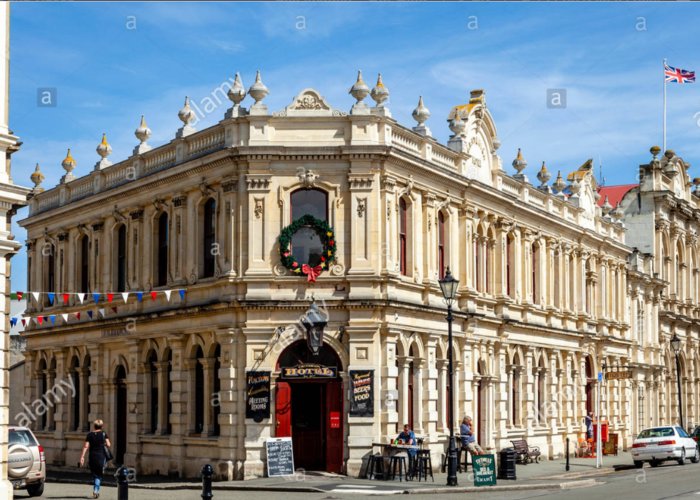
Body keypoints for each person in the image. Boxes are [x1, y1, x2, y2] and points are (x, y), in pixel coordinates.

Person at [79, 419, 112, 499]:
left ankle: (96, 489)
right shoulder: (103, 434)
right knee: (99, 475)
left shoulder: (90, 435)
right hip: (101, 457)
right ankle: (96, 490)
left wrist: (82, 457)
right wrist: (103, 443)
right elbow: (109, 444)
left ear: (94, 426)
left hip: (92, 457)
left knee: (95, 474)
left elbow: (86, 446)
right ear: (102, 426)